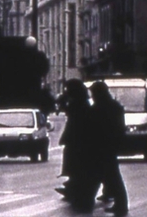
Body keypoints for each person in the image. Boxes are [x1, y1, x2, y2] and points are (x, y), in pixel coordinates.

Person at [55, 79, 95, 212]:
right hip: (77, 140)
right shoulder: (81, 101)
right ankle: (73, 186)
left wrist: (63, 100)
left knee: (76, 166)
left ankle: (76, 189)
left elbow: (71, 115)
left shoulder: (78, 103)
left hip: (78, 140)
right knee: (75, 166)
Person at [89, 81, 129, 216]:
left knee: (111, 177)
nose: (93, 96)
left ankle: (121, 205)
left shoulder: (100, 107)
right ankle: (120, 204)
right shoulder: (114, 106)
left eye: (94, 93)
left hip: (104, 146)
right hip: (110, 146)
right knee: (111, 176)